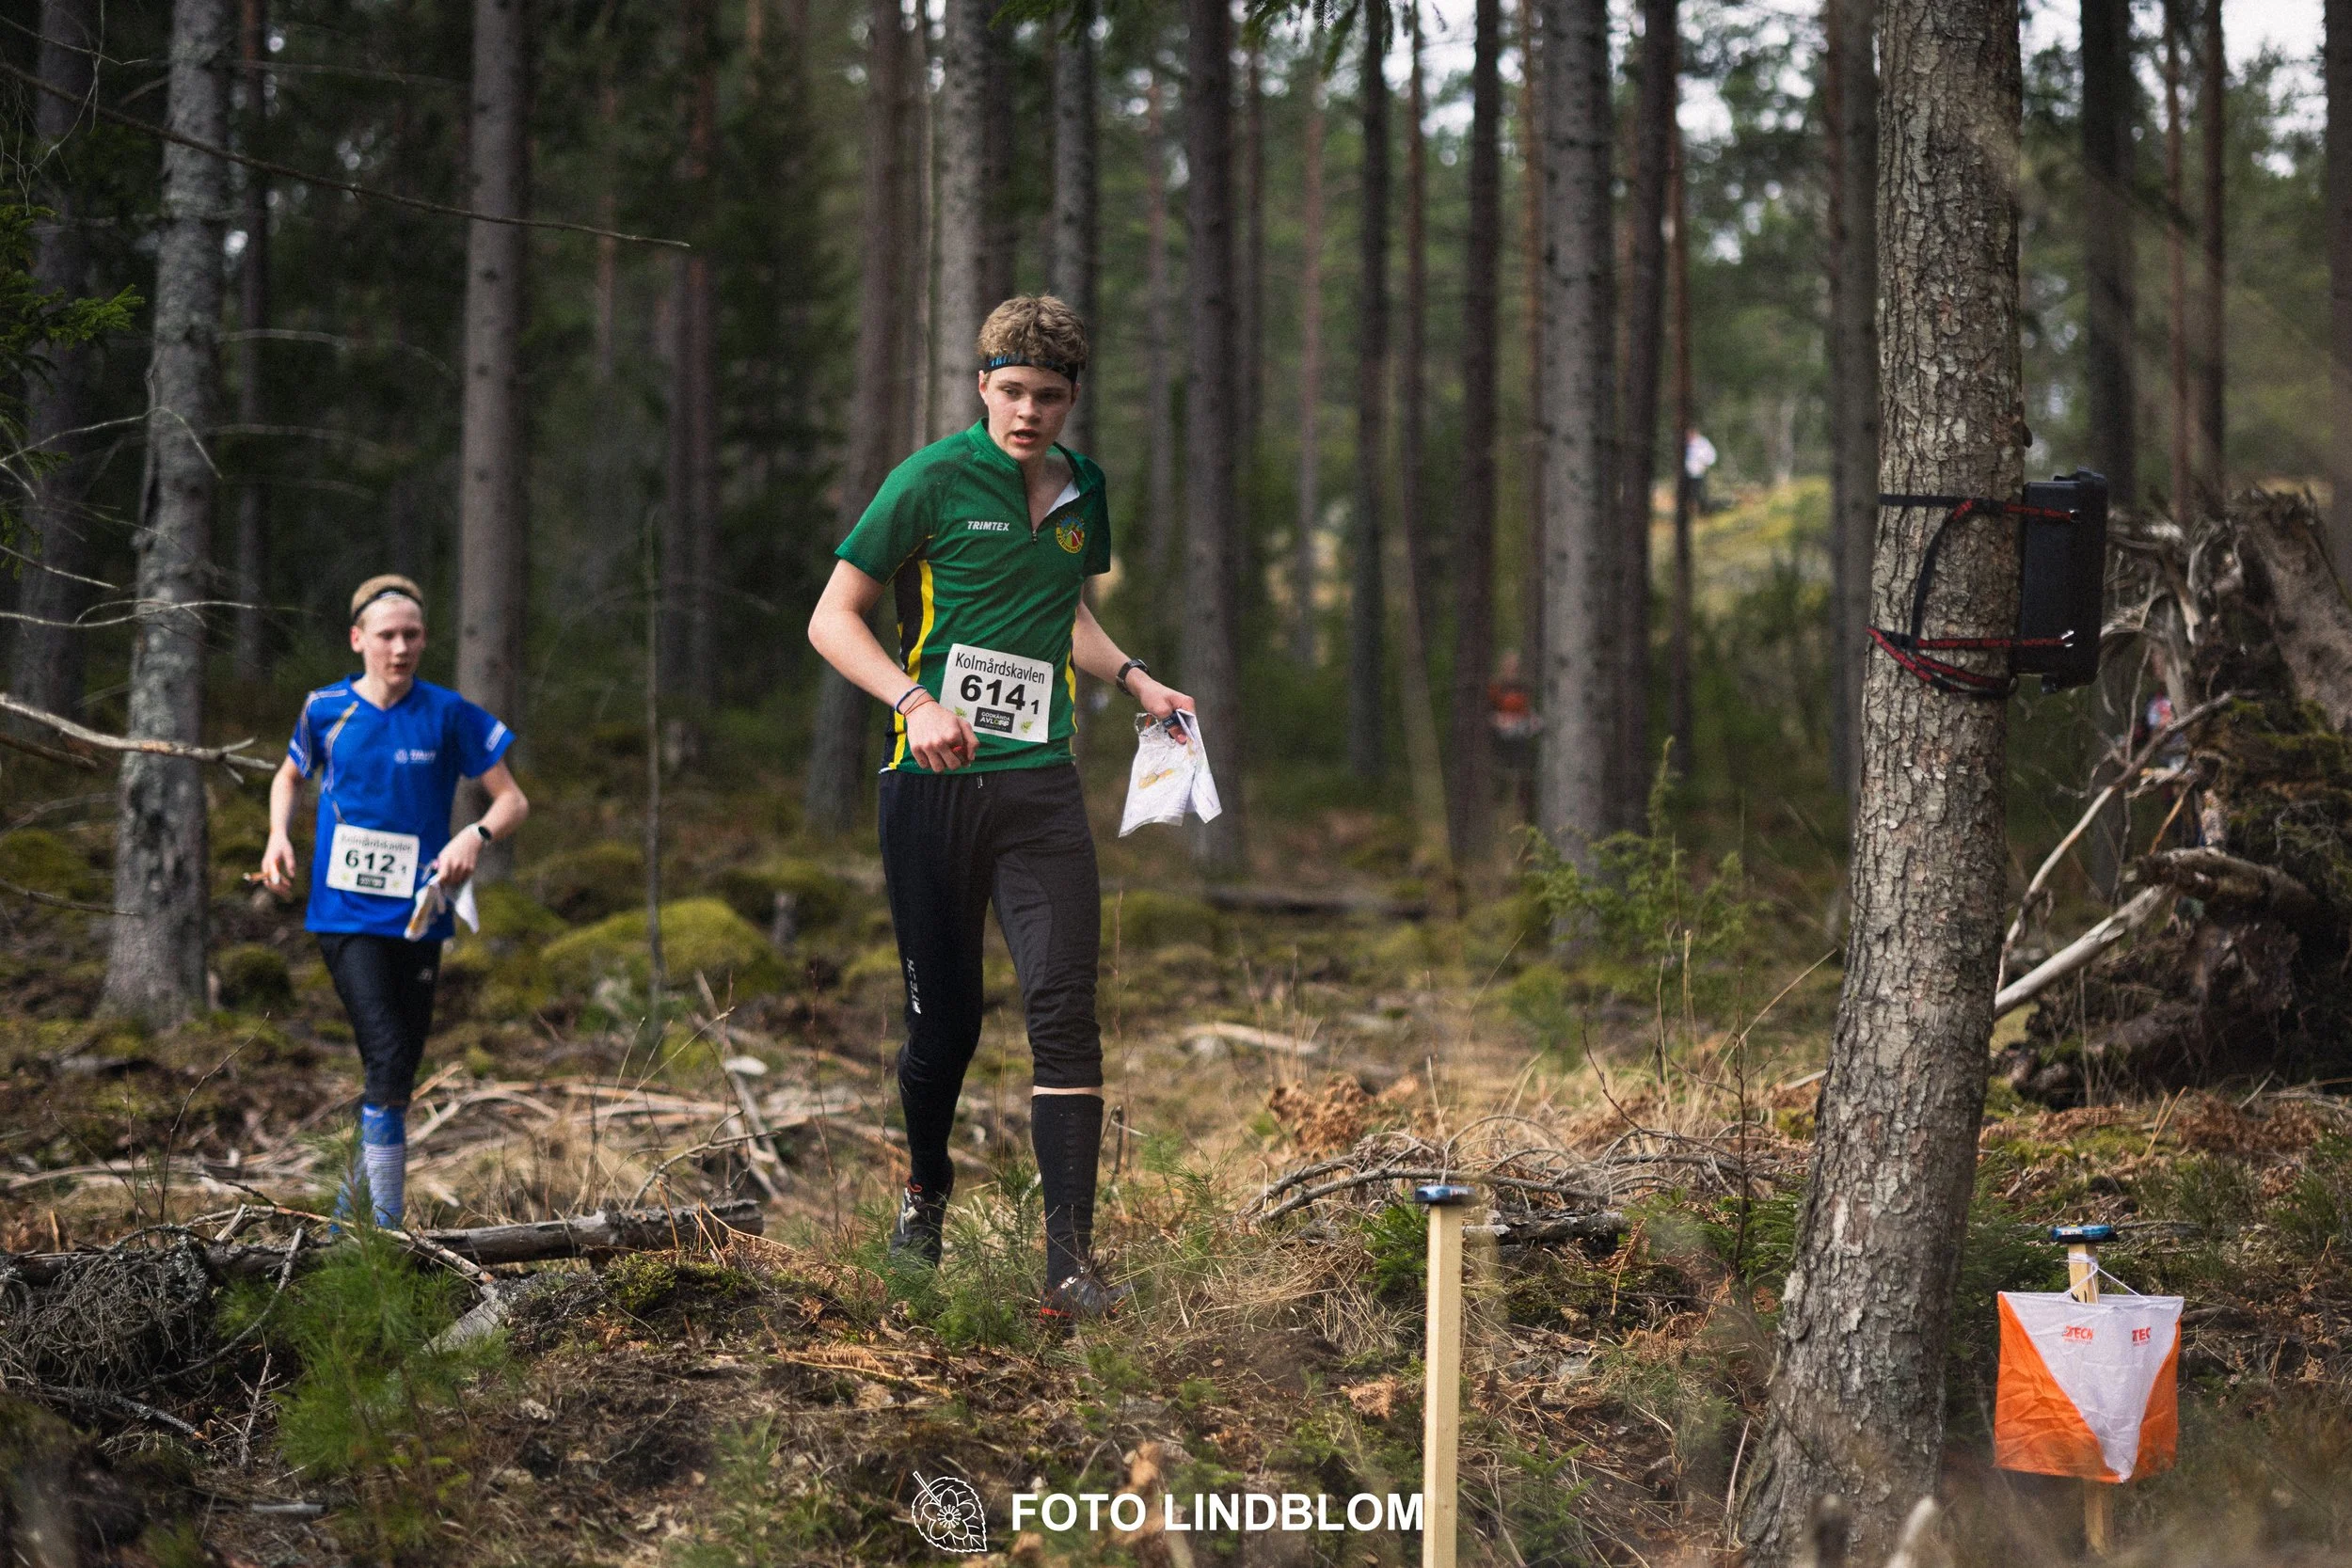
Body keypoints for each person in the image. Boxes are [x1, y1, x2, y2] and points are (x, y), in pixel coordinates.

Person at [807, 295, 1191, 1322]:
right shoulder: (929, 479)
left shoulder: (1083, 489)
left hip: (1039, 788)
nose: (1027, 413)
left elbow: (1063, 610)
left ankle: (1068, 1269)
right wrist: (914, 701)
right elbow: (832, 617)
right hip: (930, 789)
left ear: (1072, 398)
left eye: (1048, 397)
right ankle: (925, 1188)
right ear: (982, 384)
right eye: (1011, 391)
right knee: (945, 1029)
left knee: (1064, 1010)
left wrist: (1136, 677)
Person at [258, 576, 529, 1226]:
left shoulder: (448, 713)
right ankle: (383, 1229)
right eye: (387, 636)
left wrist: (474, 834)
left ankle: (346, 1223)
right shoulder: (325, 709)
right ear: (358, 640)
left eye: (411, 635)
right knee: (384, 1056)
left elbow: (512, 800)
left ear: (425, 639)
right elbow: (289, 776)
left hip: (420, 916)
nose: (400, 648)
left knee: (398, 1071)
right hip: (345, 915)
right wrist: (276, 836)